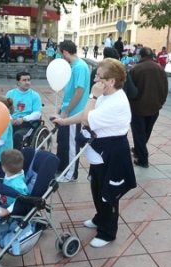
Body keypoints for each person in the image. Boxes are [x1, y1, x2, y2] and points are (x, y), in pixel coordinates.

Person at [51, 58, 137, 248]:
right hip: (99, 152)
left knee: (108, 194)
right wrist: (63, 121)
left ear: (111, 81)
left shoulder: (116, 101)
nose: (95, 80)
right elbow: (86, 113)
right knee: (97, 189)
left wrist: (92, 96)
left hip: (112, 153)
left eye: (99, 77)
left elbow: (87, 118)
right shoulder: (106, 96)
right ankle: (100, 218)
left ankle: (107, 233)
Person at [56, 40, 90, 182]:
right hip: (68, 111)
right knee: (63, 142)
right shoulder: (75, 66)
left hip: (74, 113)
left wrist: (66, 111)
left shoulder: (79, 67)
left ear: (65, 52)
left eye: (61, 54)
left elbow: (79, 92)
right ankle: (62, 168)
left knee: (71, 145)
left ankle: (71, 174)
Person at [129, 47, 168, 168]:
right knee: (145, 132)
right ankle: (138, 150)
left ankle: (143, 159)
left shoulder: (136, 69)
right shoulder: (160, 69)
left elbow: (130, 90)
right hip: (155, 107)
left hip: (138, 107)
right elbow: (165, 89)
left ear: (140, 56)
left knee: (139, 133)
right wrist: (160, 103)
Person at [5, 72, 42, 150]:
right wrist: (10, 119)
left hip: (28, 124)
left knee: (17, 135)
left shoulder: (35, 96)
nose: (27, 82)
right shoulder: (10, 94)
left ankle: (15, 158)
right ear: (17, 82)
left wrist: (23, 119)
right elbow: (5, 110)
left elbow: (37, 113)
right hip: (12, 121)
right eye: (24, 80)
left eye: (28, 80)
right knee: (2, 133)